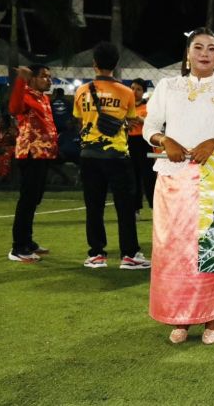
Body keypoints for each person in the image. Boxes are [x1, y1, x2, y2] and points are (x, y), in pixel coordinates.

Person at [143, 27, 214, 345]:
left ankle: (212, 320)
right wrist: (165, 140)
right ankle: (180, 319)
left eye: (212, 48)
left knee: (212, 248)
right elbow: (150, 126)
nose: (205, 53)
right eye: (199, 47)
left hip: (213, 179)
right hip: (172, 177)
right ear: (188, 54)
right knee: (174, 251)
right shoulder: (167, 87)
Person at [73, 42, 150, 270]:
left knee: (93, 206)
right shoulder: (126, 92)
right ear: (116, 64)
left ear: (94, 63)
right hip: (117, 155)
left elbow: (80, 120)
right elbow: (129, 120)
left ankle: (96, 254)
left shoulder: (81, 91)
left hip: (89, 154)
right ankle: (129, 255)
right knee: (125, 207)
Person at [7, 65, 58, 262]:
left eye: (49, 77)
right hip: (30, 154)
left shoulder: (42, 97)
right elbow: (14, 109)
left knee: (34, 200)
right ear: (33, 79)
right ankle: (18, 248)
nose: (49, 80)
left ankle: (27, 242)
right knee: (27, 201)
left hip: (43, 155)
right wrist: (20, 80)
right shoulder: (26, 94)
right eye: (44, 77)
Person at [127, 78, 156, 219]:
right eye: (132, 88)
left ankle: (154, 208)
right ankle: (135, 209)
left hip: (144, 142)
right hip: (129, 142)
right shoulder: (126, 107)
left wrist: (139, 119)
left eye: (138, 89)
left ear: (143, 91)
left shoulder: (148, 107)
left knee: (148, 177)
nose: (134, 91)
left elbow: (152, 124)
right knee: (133, 177)